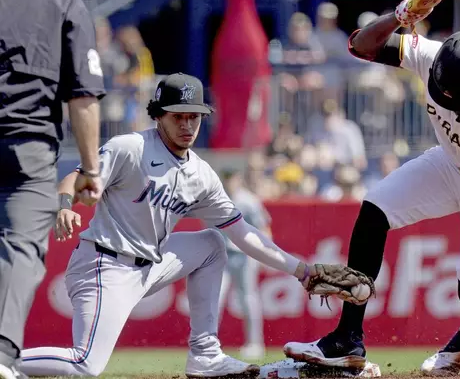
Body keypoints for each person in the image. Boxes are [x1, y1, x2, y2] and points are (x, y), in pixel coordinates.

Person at [284, 0, 460, 377]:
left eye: (459, 100)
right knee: (374, 210)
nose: (449, 104)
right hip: (447, 165)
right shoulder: (431, 55)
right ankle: (347, 338)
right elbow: (360, 45)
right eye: (443, 93)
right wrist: (400, 16)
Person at [17, 73, 320, 378]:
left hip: (151, 265)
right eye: (178, 116)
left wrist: (302, 271)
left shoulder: (201, 175)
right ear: (158, 115)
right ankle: (5, 360)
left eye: (194, 116)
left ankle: (205, 355)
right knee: (85, 365)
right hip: (104, 264)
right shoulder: (130, 148)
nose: (187, 125)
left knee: (212, 245)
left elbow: (242, 233)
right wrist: (65, 206)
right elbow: (76, 178)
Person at [0, 0, 104, 377]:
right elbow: (83, 95)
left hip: (26, 142)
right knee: (19, 246)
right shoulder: (64, 4)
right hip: (26, 143)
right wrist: (91, 170)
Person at [218, 170, 269, 360]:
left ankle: (255, 343)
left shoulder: (248, 200)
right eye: (227, 178)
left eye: (232, 178)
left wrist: (263, 254)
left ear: (239, 179)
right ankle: (208, 343)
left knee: (248, 298)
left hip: (245, 254)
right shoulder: (217, 197)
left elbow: (263, 228)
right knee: (215, 298)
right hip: (222, 255)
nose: (230, 182)